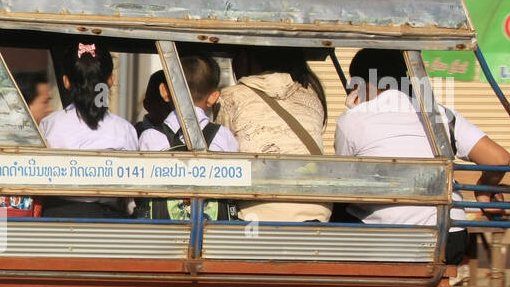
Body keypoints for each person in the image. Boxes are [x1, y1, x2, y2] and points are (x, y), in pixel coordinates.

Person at [335, 48, 510, 264]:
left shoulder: (351, 120)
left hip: (383, 242)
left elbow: (343, 185)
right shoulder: (440, 114)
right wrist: (484, 189)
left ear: (359, 85)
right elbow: (500, 159)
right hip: (448, 241)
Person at [215, 46, 330, 223]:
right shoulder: (312, 96)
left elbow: (219, 151)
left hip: (259, 210)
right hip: (317, 210)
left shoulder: (230, 96)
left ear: (247, 57)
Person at [39, 40, 138, 218]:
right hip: (109, 221)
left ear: (66, 81)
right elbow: (131, 197)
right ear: (110, 80)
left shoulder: (49, 125)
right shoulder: (124, 130)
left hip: (55, 218)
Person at [135, 61, 240, 220]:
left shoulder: (150, 137)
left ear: (164, 91)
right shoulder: (224, 136)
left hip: (160, 234)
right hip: (214, 235)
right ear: (213, 97)